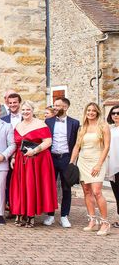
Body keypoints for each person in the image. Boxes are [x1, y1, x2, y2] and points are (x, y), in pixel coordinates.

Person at [9, 101, 57, 228]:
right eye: (23, 110)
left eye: (28, 110)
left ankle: (30, 215)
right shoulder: (18, 125)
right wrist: (13, 157)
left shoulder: (40, 124)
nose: (25, 112)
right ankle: (20, 212)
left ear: (32, 110)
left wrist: (34, 151)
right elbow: (17, 144)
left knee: (31, 185)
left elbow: (48, 141)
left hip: (36, 159)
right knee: (20, 186)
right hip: (20, 159)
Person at [70, 103, 111, 236]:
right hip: (83, 161)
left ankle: (105, 223)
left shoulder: (103, 126)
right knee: (87, 192)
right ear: (85, 112)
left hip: (96, 161)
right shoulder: (83, 128)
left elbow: (106, 147)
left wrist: (99, 164)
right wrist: (72, 162)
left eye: (93, 110)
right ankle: (92, 221)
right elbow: (77, 146)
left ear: (97, 112)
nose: (91, 113)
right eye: (88, 110)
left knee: (97, 192)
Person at [43, 97, 80, 228]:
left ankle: (64, 216)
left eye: (57, 105)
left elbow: (77, 143)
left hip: (66, 158)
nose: (55, 107)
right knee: (50, 187)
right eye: (54, 105)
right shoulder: (48, 121)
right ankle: (50, 215)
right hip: (51, 157)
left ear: (65, 107)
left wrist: (73, 161)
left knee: (66, 188)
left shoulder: (74, 123)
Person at [106, 105, 119, 228]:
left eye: (118, 113)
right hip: (113, 166)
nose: (115, 115)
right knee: (117, 193)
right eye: (113, 113)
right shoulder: (110, 130)